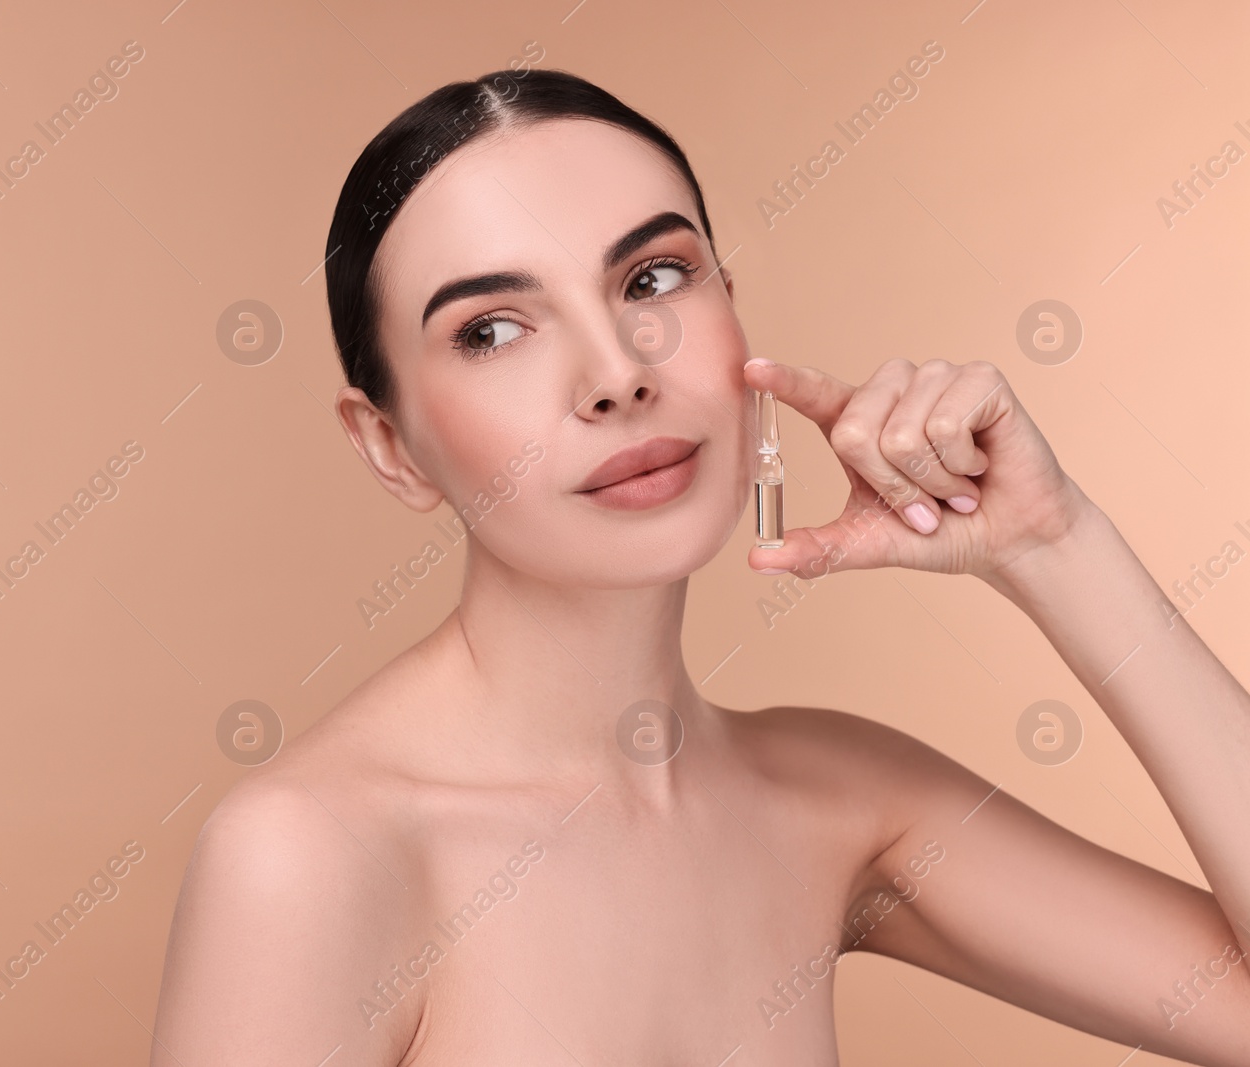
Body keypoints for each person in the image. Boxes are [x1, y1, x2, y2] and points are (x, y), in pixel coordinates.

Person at [151, 68, 1250, 1065]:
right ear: (390, 445)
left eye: (652, 277)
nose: (617, 373)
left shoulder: (837, 795)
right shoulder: (309, 857)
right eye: (492, 329)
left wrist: (1055, 543)